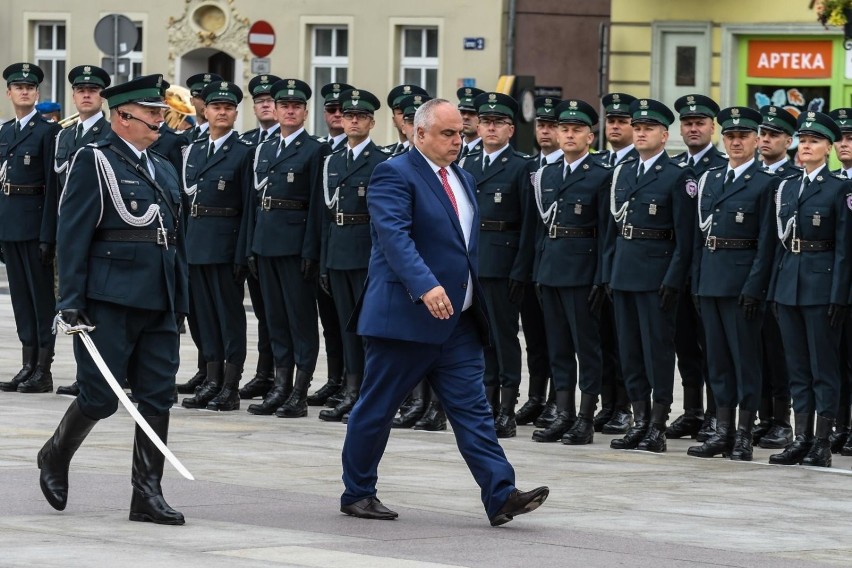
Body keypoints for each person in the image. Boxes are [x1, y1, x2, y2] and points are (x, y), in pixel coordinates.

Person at [340, 98, 548, 525]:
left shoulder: (463, 178)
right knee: (377, 408)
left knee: (473, 411)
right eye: (447, 133)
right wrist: (426, 286)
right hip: (406, 319)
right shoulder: (393, 174)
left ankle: (500, 493)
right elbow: (395, 238)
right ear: (419, 134)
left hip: (459, 321)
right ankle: (358, 491)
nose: (457, 141)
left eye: (461, 133)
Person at [38, 74, 188, 525]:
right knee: (100, 397)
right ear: (122, 117)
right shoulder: (94, 160)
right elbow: (74, 231)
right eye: (152, 113)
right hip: (110, 298)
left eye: (161, 112)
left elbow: (174, 237)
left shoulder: (162, 165)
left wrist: (180, 298)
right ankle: (55, 454)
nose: (161, 120)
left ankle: (146, 493)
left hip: (159, 297)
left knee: (159, 396)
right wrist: (70, 299)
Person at [604, 98, 696, 453]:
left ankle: (657, 422)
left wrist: (673, 280)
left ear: (664, 134)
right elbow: (614, 229)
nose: (640, 133)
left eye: (648, 129)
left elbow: (684, 238)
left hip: (656, 276)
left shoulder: (677, 176)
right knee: (630, 351)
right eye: (637, 128)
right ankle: (638, 419)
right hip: (625, 273)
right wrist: (611, 273)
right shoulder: (625, 172)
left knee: (657, 351)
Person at [687, 106, 778, 461]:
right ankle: (721, 430)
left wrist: (754, 287)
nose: (736, 142)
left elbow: (767, 242)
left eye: (743, 136)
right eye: (730, 136)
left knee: (745, 361)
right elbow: (699, 237)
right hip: (710, 279)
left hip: (741, 283)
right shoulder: (710, 179)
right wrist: (697, 281)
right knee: (718, 361)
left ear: (757, 140)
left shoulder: (766, 182)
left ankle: (743, 432)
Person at [768, 111, 851, 468]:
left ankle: (822, 441)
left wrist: (839, 295)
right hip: (789, 285)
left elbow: (846, 247)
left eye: (814, 141)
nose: (806, 147)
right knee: (797, 368)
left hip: (821, 286)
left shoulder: (839, 188)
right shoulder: (788, 186)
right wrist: (774, 289)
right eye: (803, 141)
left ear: (829, 148)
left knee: (823, 368)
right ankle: (800, 437)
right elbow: (779, 245)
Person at [244, 78, 329, 416]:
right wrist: (251, 245)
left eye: (296, 106)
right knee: (275, 319)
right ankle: (280, 386)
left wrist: (311, 251)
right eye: (284, 105)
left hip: (295, 246)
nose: (290, 110)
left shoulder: (315, 149)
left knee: (300, 320)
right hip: (266, 243)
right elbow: (255, 201)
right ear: (276, 110)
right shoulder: (264, 149)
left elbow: (316, 207)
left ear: (305, 112)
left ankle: (299, 390)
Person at [530, 99, 611, 445]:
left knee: (586, 348)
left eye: (577, 130)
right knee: (558, 347)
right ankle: (562, 412)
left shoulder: (601, 175)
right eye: (564, 129)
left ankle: (585, 417)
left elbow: (607, 232)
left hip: (582, 271)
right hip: (550, 270)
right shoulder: (546, 174)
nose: (569, 135)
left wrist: (600, 277)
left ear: (590, 137)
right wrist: (537, 270)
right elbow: (539, 229)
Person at [461, 92, 537, 439]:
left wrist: (520, 270)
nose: (490, 128)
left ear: (510, 129)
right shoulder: (468, 163)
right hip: (474, 261)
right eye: (485, 122)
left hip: (504, 262)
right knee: (480, 337)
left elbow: (528, 225)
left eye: (498, 123)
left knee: (505, 338)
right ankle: (486, 403)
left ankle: (507, 407)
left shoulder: (522, 166)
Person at [179, 80, 252, 412]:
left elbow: (249, 207)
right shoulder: (193, 150)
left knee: (228, 317)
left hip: (225, 245)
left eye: (228, 107)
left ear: (236, 113)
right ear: (204, 111)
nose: (221, 112)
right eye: (215, 107)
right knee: (203, 316)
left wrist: (241, 253)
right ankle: (211, 377)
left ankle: (230, 384)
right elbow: (183, 202)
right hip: (196, 242)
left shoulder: (243, 152)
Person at [316, 88, 389, 422]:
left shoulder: (381, 162)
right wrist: (323, 259)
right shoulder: (332, 160)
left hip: (365, 252)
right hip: (339, 250)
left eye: (360, 116)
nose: (354, 121)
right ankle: (350, 388)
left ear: (372, 122)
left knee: (367, 328)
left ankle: (368, 392)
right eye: (348, 116)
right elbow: (325, 215)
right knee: (346, 326)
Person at [667, 94, 727, 443]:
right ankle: (691, 411)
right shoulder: (675, 167)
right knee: (685, 346)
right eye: (688, 123)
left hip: (708, 272)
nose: (693, 128)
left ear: (712, 128)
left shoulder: (720, 167)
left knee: (712, 349)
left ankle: (716, 416)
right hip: (678, 272)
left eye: (700, 123)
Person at [0, 63, 61, 394]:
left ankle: (44, 368)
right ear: (9, 93)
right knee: (21, 300)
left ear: (37, 93)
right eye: (17, 86)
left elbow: (52, 188)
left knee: (41, 300)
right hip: (10, 224)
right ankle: (27, 364)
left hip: (35, 223)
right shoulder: (5, 132)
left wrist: (47, 234)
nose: (24, 91)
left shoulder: (47, 131)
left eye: (30, 87)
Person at [593, 92, 638, 436]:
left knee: (626, 343)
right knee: (603, 341)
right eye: (612, 120)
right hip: (605, 267)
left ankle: (624, 406)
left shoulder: (634, 166)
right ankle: (607, 403)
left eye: (623, 121)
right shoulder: (604, 165)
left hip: (632, 268)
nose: (616, 126)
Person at [754, 105, 799, 449]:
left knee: (779, 352)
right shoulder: (752, 175)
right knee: (758, 352)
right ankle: (765, 416)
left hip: (779, 275)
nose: (766, 140)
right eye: (763, 134)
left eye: (774, 135)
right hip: (751, 274)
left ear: (788, 140)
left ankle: (782, 421)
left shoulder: (790, 180)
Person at [304, 81, 351, 408]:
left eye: (342, 111)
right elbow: (316, 210)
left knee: (351, 323)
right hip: (328, 250)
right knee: (330, 324)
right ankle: (335, 379)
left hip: (352, 252)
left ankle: (352, 380)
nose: (336, 115)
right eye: (332, 110)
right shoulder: (322, 151)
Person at [234, 74, 281, 401]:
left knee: (278, 314)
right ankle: (263, 372)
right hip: (252, 239)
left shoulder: (293, 144)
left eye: (270, 99)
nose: (265, 103)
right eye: (260, 99)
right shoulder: (248, 143)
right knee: (263, 312)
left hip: (279, 240)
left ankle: (278, 374)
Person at [515, 96, 560, 429]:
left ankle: (559, 400)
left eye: (551, 126)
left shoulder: (567, 169)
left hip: (559, 266)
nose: (545, 131)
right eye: (541, 125)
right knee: (533, 338)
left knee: (558, 338)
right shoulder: (529, 167)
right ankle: (535, 397)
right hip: (531, 266)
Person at [383, 84, 428, 155]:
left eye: (413, 115)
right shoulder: (384, 155)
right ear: (394, 120)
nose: (405, 116)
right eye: (400, 112)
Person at [457, 86, 484, 160]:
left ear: (482, 118)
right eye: (463, 112)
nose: (465, 117)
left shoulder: (487, 150)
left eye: (472, 113)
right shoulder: (452, 145)